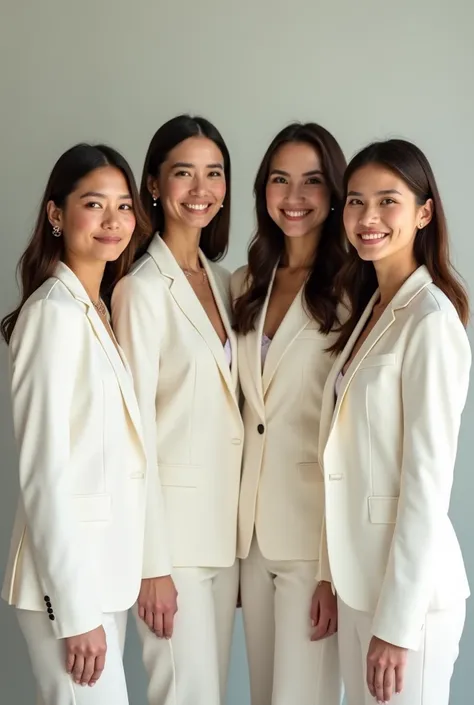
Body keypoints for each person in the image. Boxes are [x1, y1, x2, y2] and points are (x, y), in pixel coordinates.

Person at [1, 143, 168, 705]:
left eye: (123, 207)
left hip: (103, 579)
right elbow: (43, 474)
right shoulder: (51, 313)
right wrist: (74, 613)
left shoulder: (96, 309)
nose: (113, 221)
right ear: (56, 214)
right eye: (94, 204)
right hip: (68, 593)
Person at [319, 138, 471, 705]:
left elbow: (426, 484)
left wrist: (397, 625)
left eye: (389, 201)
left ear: (424, 212)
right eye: (356, 202)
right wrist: (328, 575)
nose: (369, 218)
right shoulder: (372, 310)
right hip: (359, 585)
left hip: (409, 601)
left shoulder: (430, 319)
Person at [111, 114, 243, 705]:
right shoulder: (139, 290)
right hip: (172, 552)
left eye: (214, 174)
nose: (201, 189)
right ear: (154, 186)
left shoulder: (223, 283)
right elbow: (131, 437)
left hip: (223, 540)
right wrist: (151, 565)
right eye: (184, 173)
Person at [231, 122, 346, 705]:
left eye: (311, 181)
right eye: (280, 180)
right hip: (252, 538)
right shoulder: (243, 284)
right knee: (262, 697)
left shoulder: (356, 291)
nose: (294, 196)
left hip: (313, 537)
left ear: (334, 192)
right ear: (263, 190)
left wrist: (331, 570)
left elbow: (348, 438)